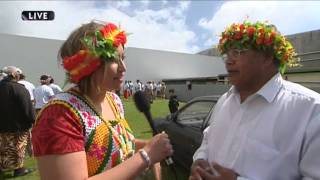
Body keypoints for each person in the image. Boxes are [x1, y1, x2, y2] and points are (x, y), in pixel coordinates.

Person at [31, 21, 173, 180]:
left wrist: (149, 145)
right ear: (89, 64)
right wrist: (146, 156)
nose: (123, 68)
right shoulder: (59, 115)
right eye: (114, 59)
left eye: (123, 58)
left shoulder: (113, 99)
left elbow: (122, 144)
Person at [190, 21, 320, 180]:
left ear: (267, 58)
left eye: (237, 52)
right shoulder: (225, 100)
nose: (228, 61)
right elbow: (208, 139)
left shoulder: (311, 110)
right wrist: (200, 159)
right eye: (227, 54)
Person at [0, 66, 35, 177]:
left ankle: (2, 168)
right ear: (15, 75)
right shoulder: (19, 88)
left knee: (4, 147)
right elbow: (27, 108)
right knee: (19, 146)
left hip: (2, 125)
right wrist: (32, 119)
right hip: (19, 125)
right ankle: (19, 169)